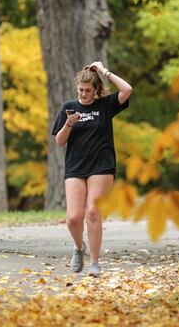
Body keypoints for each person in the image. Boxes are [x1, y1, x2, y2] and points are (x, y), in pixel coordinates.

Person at [51, 61, 133, 277]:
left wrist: (104, 71)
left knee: (93, 212)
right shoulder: (68, 107)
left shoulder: (105, 106)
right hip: (76, 167)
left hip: (101, 166)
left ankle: (95, 263)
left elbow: (127, 89)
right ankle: (79, 248)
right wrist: (69, 124)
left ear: (96, 90)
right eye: (80, 90)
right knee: (73, 218)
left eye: (88, 90)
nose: (84, 94)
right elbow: (59, 142)